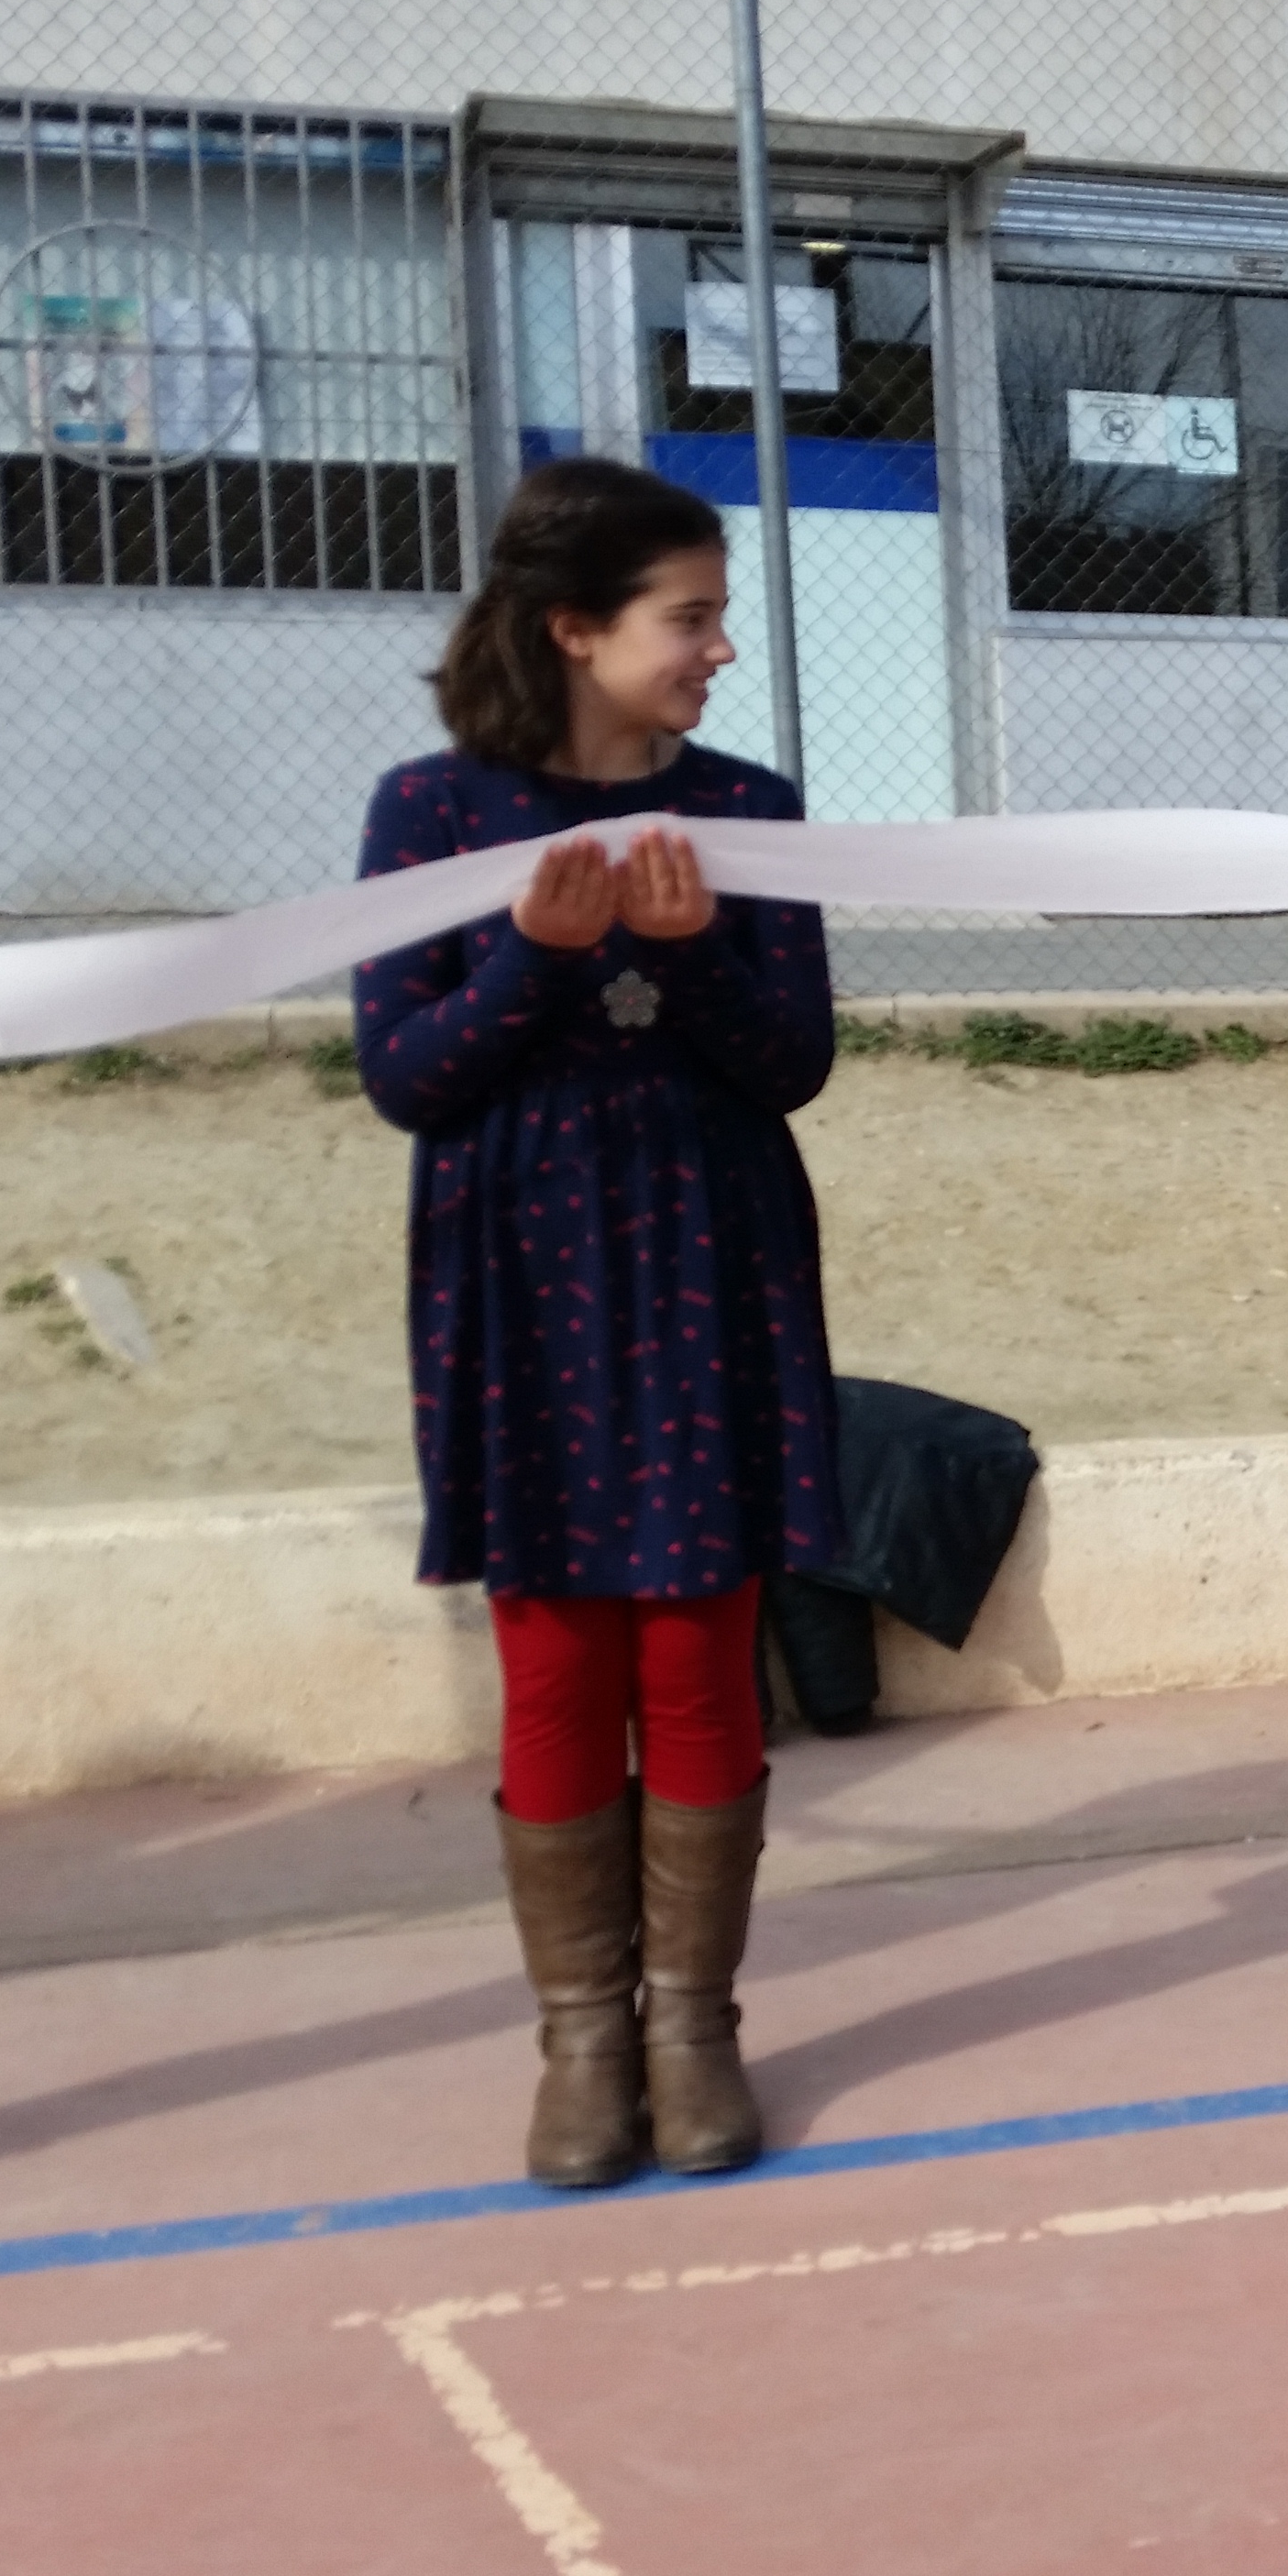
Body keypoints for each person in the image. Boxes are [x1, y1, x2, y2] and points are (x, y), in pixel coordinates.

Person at [357, 458, 838, 2188]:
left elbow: (793, 1060)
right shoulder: (433, 812)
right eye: (688, 617)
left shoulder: (748, 808)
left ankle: (691, 2026)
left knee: (703, 1647)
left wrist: (690, 951)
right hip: (522, 1264)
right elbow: (405, 1075)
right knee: (558, 1653)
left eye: (718, 616)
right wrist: (533, 957)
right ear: (575, 628)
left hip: (708, 1251)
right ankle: (581, 2034)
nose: (719, 649)